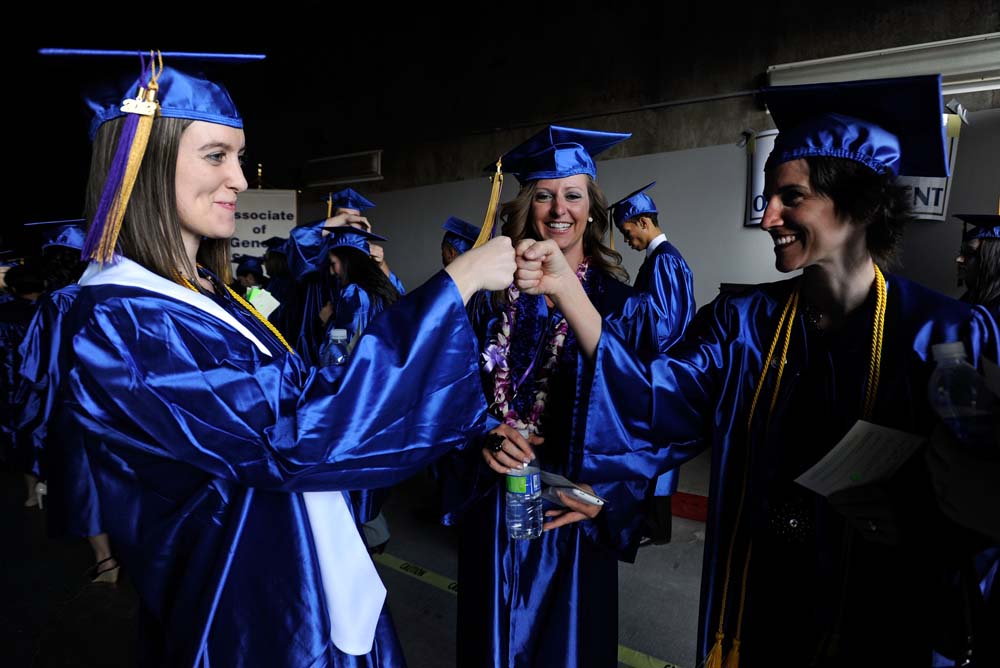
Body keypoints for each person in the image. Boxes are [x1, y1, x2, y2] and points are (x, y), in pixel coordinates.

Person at [36, 52, 516, 666]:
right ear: (146, 164)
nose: (240, 179)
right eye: (217, 155)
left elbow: (299, 392)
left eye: (239, 157)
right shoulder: (123, 318)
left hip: (294, 567)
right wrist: (457, 284)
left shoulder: (203, 294)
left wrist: (473, 430)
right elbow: (291, 436)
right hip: (252, 605)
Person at [513, 76, 1000, 667]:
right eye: (768, 196)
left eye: (791, 197)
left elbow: (982, 496)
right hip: (760, 598)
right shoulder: (741, 322)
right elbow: (656, 401)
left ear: (864, 206)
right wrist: (568, 293)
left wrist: (920, 521)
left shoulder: (948, 334)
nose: (768, 216)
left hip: (884, 606)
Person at [439, 124, 669, 668]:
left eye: (573, 195)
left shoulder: (621, 307)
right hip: (497, 509)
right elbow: (448, 396)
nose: (559, 209)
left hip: (573, 514)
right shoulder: (488, 302)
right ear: (527, 207)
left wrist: (607, 495)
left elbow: (648, 415)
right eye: (544, 195)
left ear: (592, 209)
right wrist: (483, 435)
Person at [609, 181, 696, 545]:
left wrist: (619, 311)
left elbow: (664, 325)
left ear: (644, 222)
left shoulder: (665, 261)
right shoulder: (658, 260)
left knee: (657, 448)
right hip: (658, 368)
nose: (627, 240)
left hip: (661, 369)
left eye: (627, 232)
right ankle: (650, 523)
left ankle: (657, 527)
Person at [954, 208, 1000, 315]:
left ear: (994, 260)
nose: (958, 259)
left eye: (970, 253)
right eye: (961, 252)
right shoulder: (971, 297)